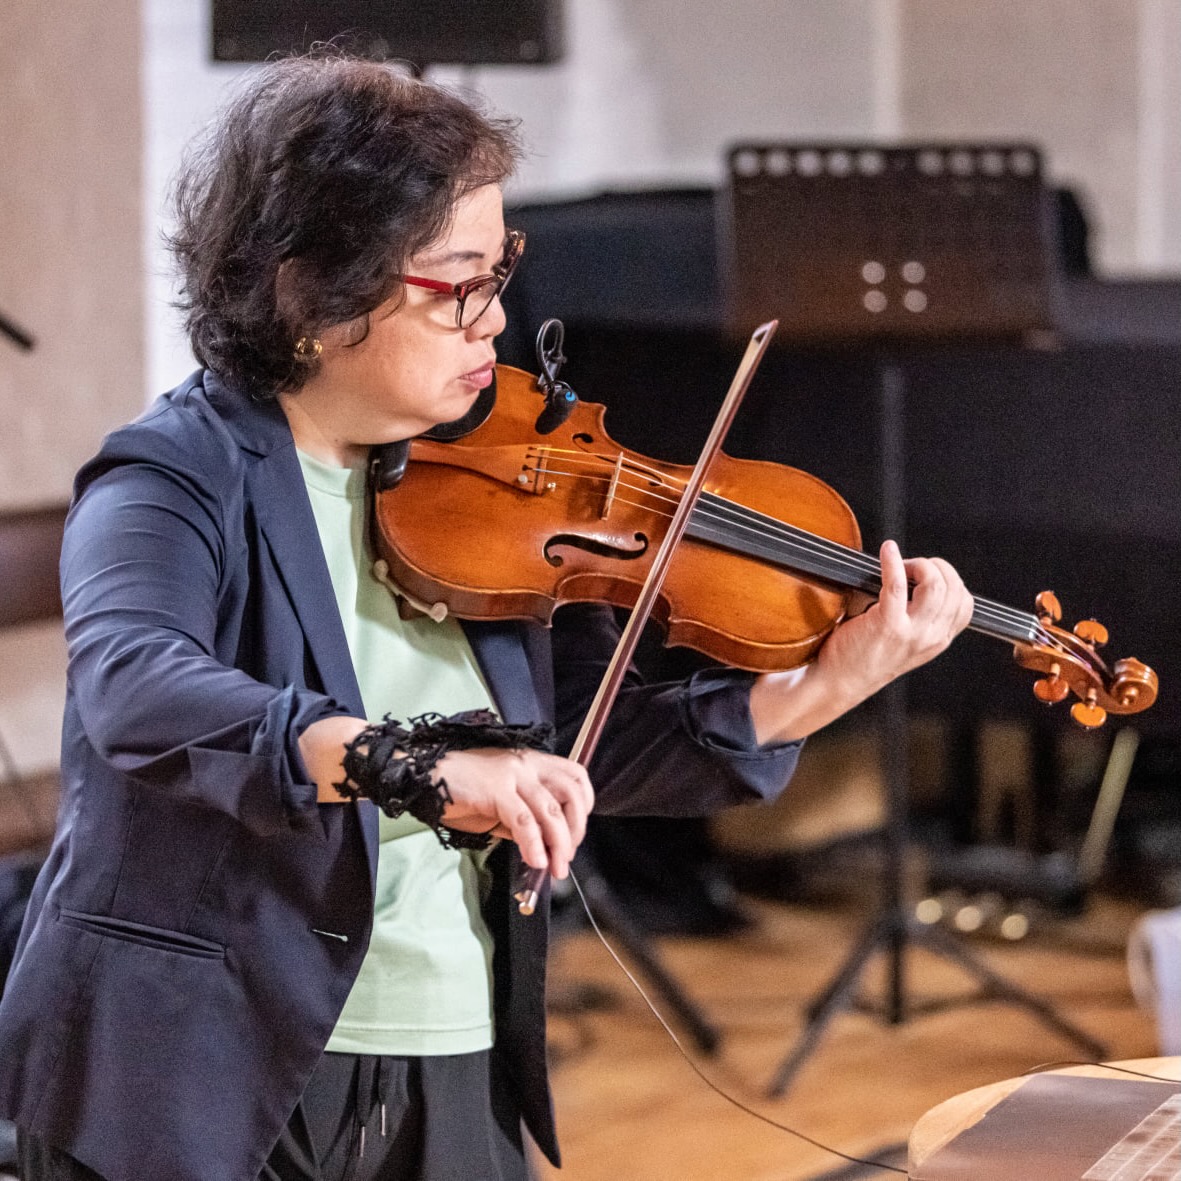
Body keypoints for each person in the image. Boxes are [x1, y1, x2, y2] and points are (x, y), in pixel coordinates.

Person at [0, 54, 973, 1181]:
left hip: (451, 1050)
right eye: (456, 281)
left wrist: (828, 680)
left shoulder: (494, 485)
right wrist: (409, 765)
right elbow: (138, 690)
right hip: (196, 1077)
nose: (495, 317)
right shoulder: (170, 477)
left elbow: (569, 749)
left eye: (498, 269)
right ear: (313, 293)